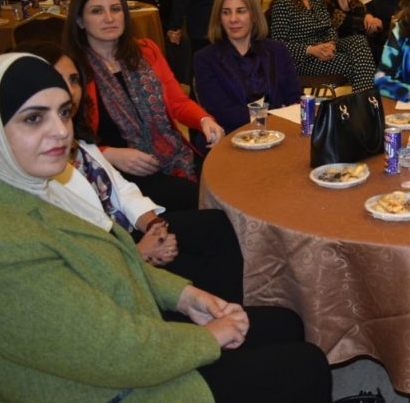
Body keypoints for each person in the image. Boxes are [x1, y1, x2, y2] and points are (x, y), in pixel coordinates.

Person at [0, 53, 332, 402]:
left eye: (64, 112)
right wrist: (207, 338)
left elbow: (109, 258)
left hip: (122, 334)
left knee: (285, 323)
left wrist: (185, 296)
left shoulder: (25, 183)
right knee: (306, 366)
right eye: (33, 119)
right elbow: (111, 354)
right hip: (111, 387)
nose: (60, 131)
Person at [15, 39, 246, 302]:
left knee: (217, 222)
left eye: (74, 80)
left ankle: (234, 306)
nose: (69, 90)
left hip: (130, 224)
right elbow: (78, 247)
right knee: (205, 259)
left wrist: (154, 225)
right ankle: (221, 311)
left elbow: (121, 189)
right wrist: (138, 252)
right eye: (58, 80)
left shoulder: (78, 138)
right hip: (114, 254)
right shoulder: (38, 156)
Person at [64, 0, 225, 211]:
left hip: (173, 157)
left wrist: (204, 120)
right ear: (80, 20)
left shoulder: (146, 51)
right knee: (208, 203)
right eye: (97, 11)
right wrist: (109, 155)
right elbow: (66, 139)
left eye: (116, 9)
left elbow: (177, 102)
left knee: (227, 185)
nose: (109, 18)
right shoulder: (73, 70)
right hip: (119, 174)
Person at [196, 0, 303, 132]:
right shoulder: (205, 58)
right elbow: (222, 111)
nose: (233, 19)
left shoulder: (278, 50)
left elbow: (294, 97)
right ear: (219, 18)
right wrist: (274, 114)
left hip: (280, 132)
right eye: (226, 12)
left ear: (253, 15)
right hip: (232, 135)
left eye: (241, 11)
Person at [269, 0, 376, 91]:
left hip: (325, 48)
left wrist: (330, 44)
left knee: (359, 40)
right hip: (302, 59)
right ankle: (364, 99)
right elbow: (279, 45)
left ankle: (363, 98)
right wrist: (312, 50)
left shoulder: (316, 0)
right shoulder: (282, 4)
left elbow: (330, 28)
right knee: (353, 63)